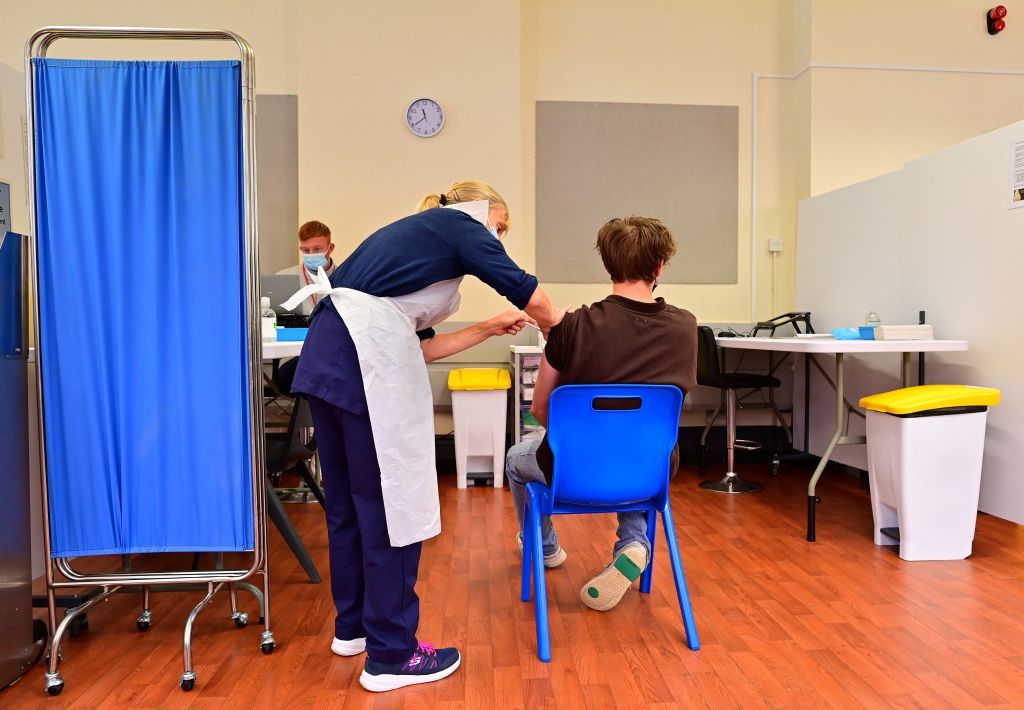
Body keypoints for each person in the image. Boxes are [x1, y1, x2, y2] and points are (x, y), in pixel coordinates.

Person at [285, 179, 562, 693]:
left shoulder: (410, 240)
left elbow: (421, 347)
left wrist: (485, 328)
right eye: (499, 228)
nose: (497, 239)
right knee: (392, 508)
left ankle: (354, 631)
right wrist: (563, 333)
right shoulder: (460, 223)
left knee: (347, 505)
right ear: (482, 212)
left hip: (330, 362)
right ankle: (393, 653)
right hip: (364, 367)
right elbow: (529, 290)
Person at [505, 215, 697, 612]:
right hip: (652, 468)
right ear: (660, 266)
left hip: (576, 471)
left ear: (608, 265)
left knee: (516, 458)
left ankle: (545, 547)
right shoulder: (685, 326)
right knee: (634, 451)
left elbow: (541, 408)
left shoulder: (572, 327)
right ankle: (633, 543)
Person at [277, 220, 337, 316]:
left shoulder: (346, 278)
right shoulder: (283, 278)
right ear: (301, 249)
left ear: (330, 248)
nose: (311, 254)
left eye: (317, 249)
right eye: (306, 250)